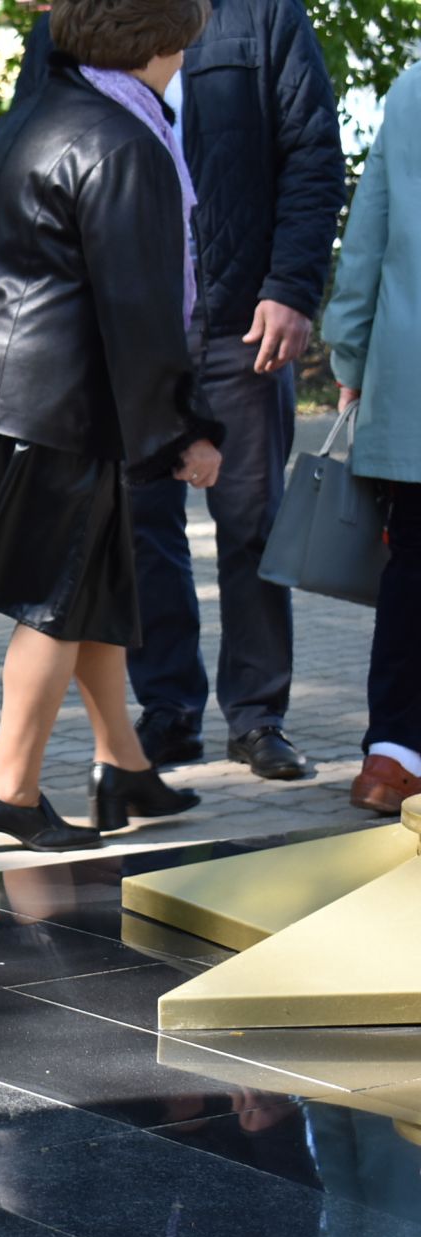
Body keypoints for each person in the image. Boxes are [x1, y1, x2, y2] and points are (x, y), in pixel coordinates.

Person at [0, 0, 225, 852]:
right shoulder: (126, 139)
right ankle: (8, 792)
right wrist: (184, 425)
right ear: (165, 39)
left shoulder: (24, 119)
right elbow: (138, 306)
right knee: (57, 602)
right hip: (65, 401)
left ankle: (122, 765)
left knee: (94, 587)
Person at [15, 0, 346, 782]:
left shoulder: (268, 16)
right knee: (138, 528)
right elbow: (40, 146)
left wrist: (293, 289)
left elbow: (312, 157)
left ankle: (258, 716)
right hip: (128, 323)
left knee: (253, 524)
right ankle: (168, 709)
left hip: (244, 325)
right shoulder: (77, 18)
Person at [321, 61, 421, 816]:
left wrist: (349, 355)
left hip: (414, 381)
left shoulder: (415, 87)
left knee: (414, 568)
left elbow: (370, 239)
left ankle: (391, 758)